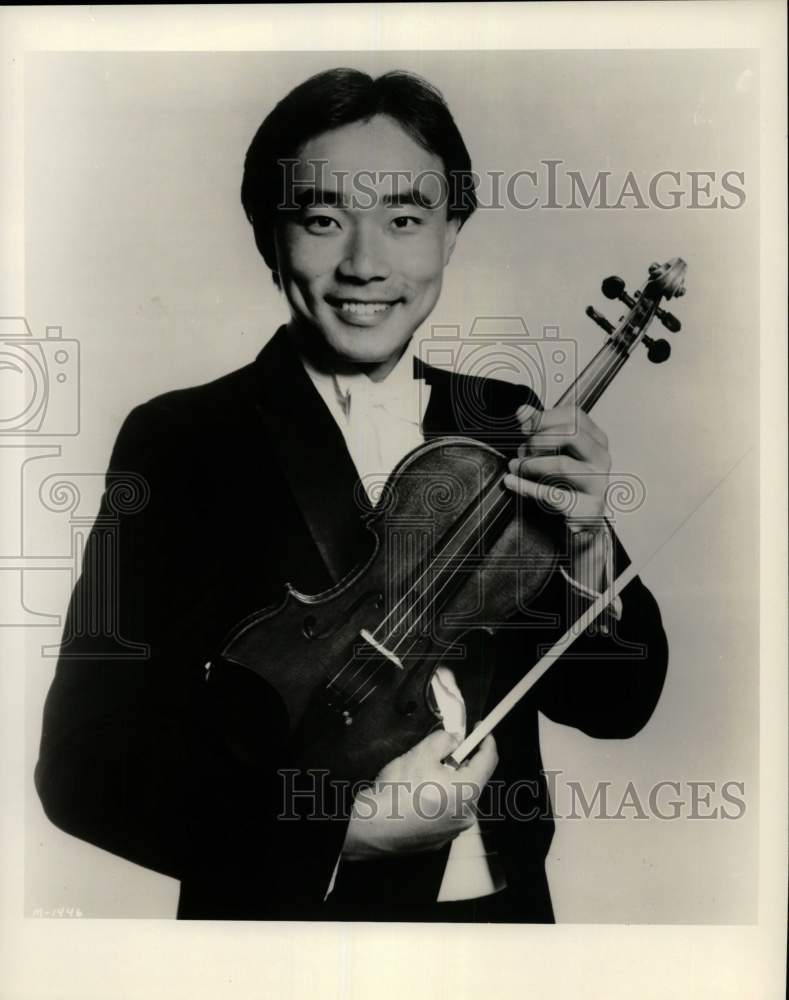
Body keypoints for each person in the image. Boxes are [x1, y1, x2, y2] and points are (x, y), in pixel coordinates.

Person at [35, 68, 668, 922]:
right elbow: (83, 764)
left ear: (451, 233)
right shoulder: (180, 442)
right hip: (286, 937)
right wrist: (345, 830)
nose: (365, 264)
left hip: (507, 930)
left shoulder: (504, 426)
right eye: (323, 218)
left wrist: (587, 542)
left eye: (404, 219)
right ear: (268, 235)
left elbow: (614, 706)